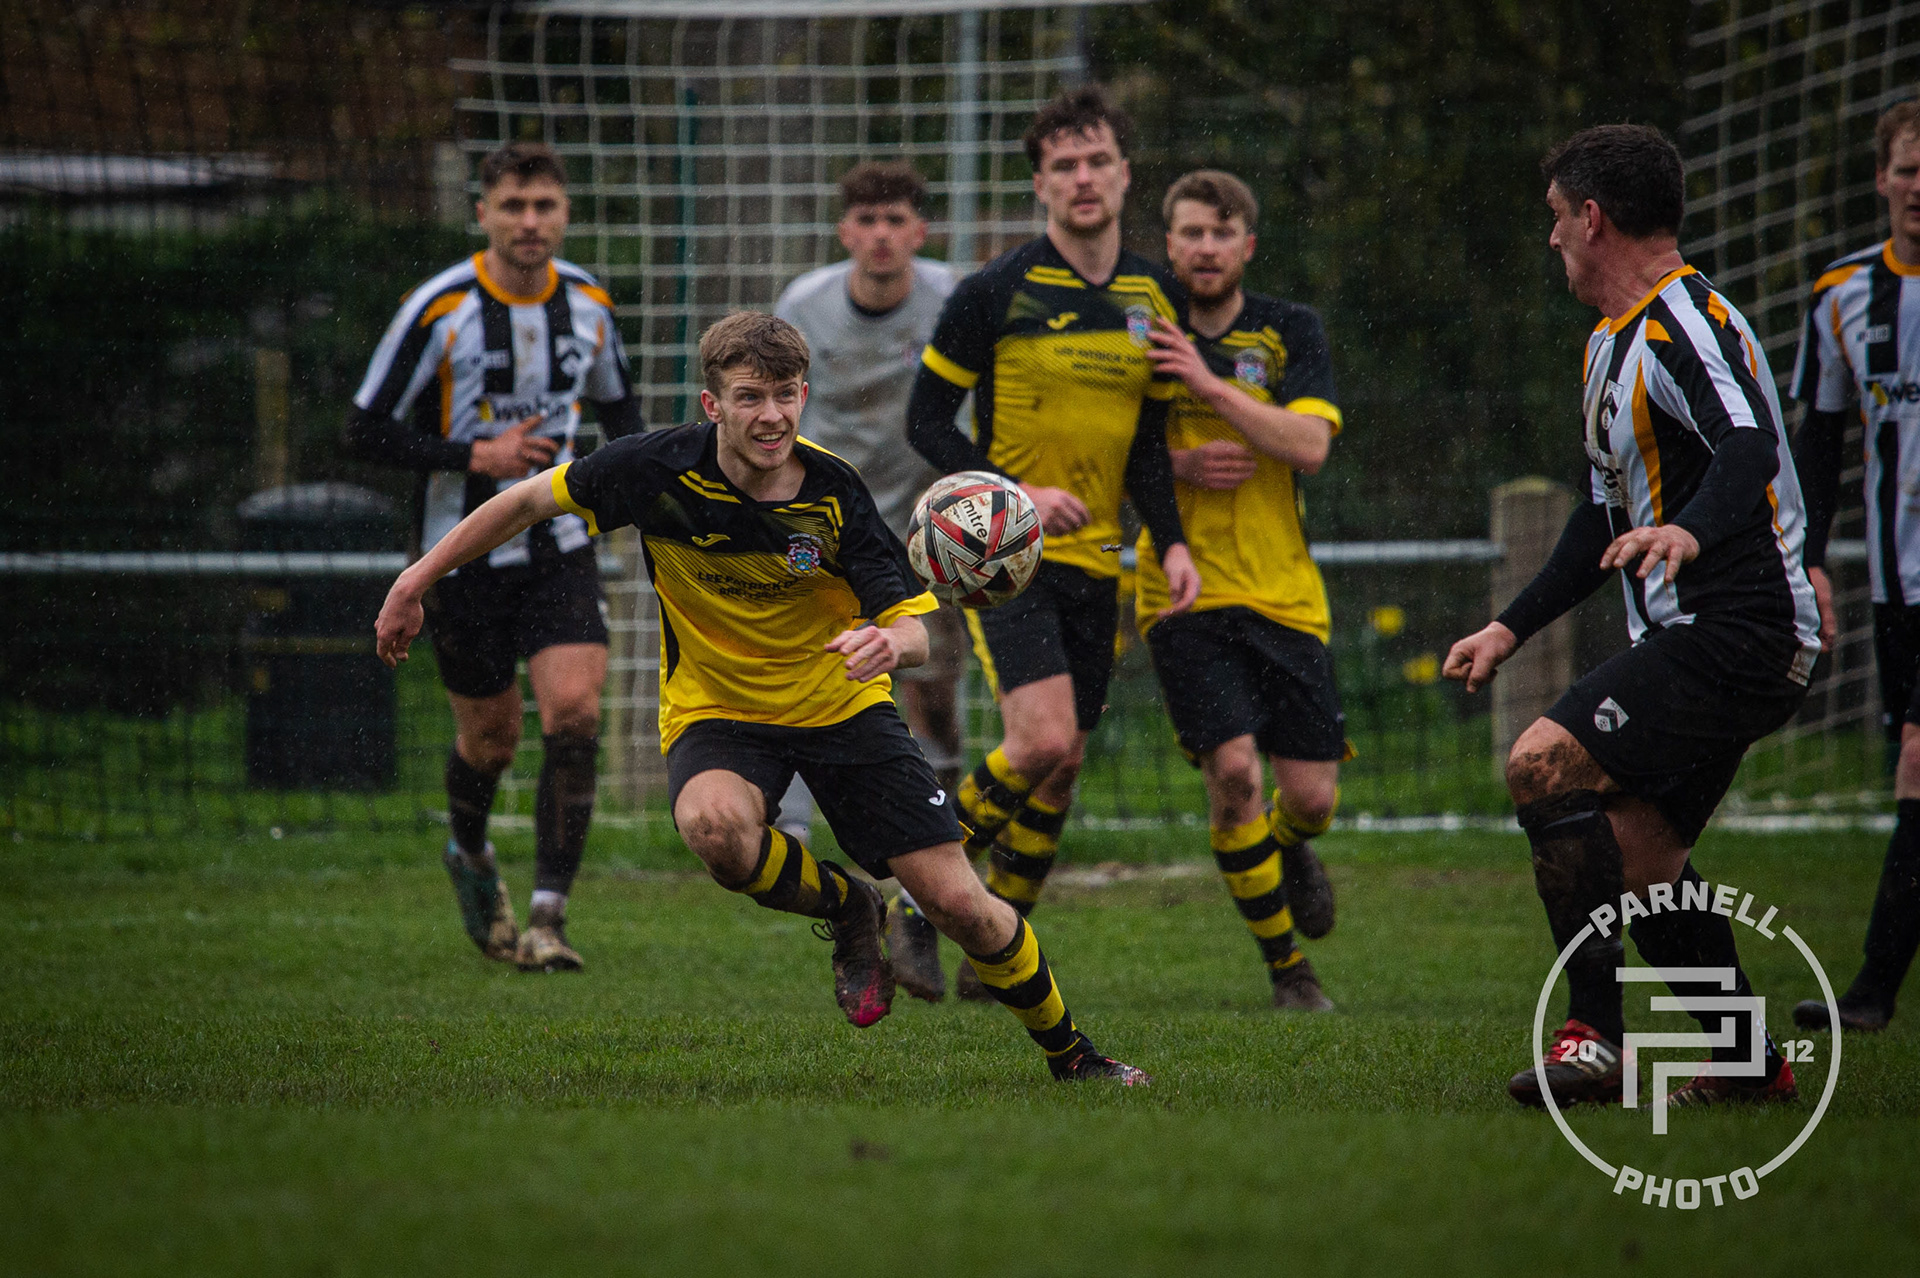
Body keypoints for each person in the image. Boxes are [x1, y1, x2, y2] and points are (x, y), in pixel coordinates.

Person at [372, 311, 1147, 1084]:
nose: (771, 416)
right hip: (719, 711)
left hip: (842, 708)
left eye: (784, 395)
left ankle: (1075, 1056)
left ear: (804, 395)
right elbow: (523, 503)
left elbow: (910, 628)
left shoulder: (835, 494)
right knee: (714, 830)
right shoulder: (654, 469)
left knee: (960, 907)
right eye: (749, 397)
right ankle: (849, 906)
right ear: (713, 404)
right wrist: (415, 580)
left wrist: (889, 646)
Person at [1443, 125, 1821, 1110]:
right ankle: (1747, 1062)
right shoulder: (1610, 344)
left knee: (1541, 763)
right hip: (1705, 638)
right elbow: (1598, 519)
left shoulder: (1682, 324)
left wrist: (1689, 531)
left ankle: (1596, 1036)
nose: (1551, 240)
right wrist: (1508, 628)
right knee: (1642, 863)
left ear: (1593, 217)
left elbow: (1748, 445)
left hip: (1741, 630)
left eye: (1555, 219)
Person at [907, 84, 1200, 996]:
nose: (1082, 178)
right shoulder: (993, 290)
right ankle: (912, 897)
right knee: (1039, 741)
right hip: (1006, 558)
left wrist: (1172, 541)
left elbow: (1148, 445)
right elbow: (927, 421)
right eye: (1063, 165)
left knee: (1064, 764)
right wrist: (1014, 493)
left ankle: (994, 952)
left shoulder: (1156, 295)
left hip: (1101, 560)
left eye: (1097, 160)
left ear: (1124, 173)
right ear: (1039, 184)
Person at [346, 141, 643, 973]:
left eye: (544, 205)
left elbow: (622, 416)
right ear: (483, 213)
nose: (529, 221)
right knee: (491, 741)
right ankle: (471, 851)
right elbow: (362, 430)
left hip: (561, 544)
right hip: (463, 556)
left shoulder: (589, 303)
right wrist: (476, 456)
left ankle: (549, 917)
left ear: (565, 213)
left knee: (575, 713)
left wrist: (644, 502)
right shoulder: (438, 309)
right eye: (513, 205)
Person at [1137, 170, 1345, 1011]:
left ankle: (1287, 845)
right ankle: (1288, 970)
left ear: (1247, 246)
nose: (1206, 247)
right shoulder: (1140, 332)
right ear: (1169, 244)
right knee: (1232, 773)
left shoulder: (1290, 329)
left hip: (1284, 590)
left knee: (1312, 800)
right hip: (1181, 591)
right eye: (1190, 232)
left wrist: (1211, 385)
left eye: (1221, 233)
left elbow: (1309, 447)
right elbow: (1106, 452)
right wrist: (1178, 463)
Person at [772, 160, 968, 1002]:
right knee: (825, 685)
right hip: (827, 531)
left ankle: (935, 863)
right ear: (844, 230)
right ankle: (830, 857)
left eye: (897, 220)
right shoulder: (804, 305)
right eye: (867, 220)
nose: (881, 235)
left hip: (926, 534)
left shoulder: (952, 298)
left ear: (919, 232)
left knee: (932, 697)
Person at [1789, 99, 1920, 1034]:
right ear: (1881, 178)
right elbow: (1820, 440)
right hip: (1898, 585)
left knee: (1918, 761)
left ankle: (1872, 993)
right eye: (1909, 169)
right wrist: (1809, 561)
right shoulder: (1841, 294)